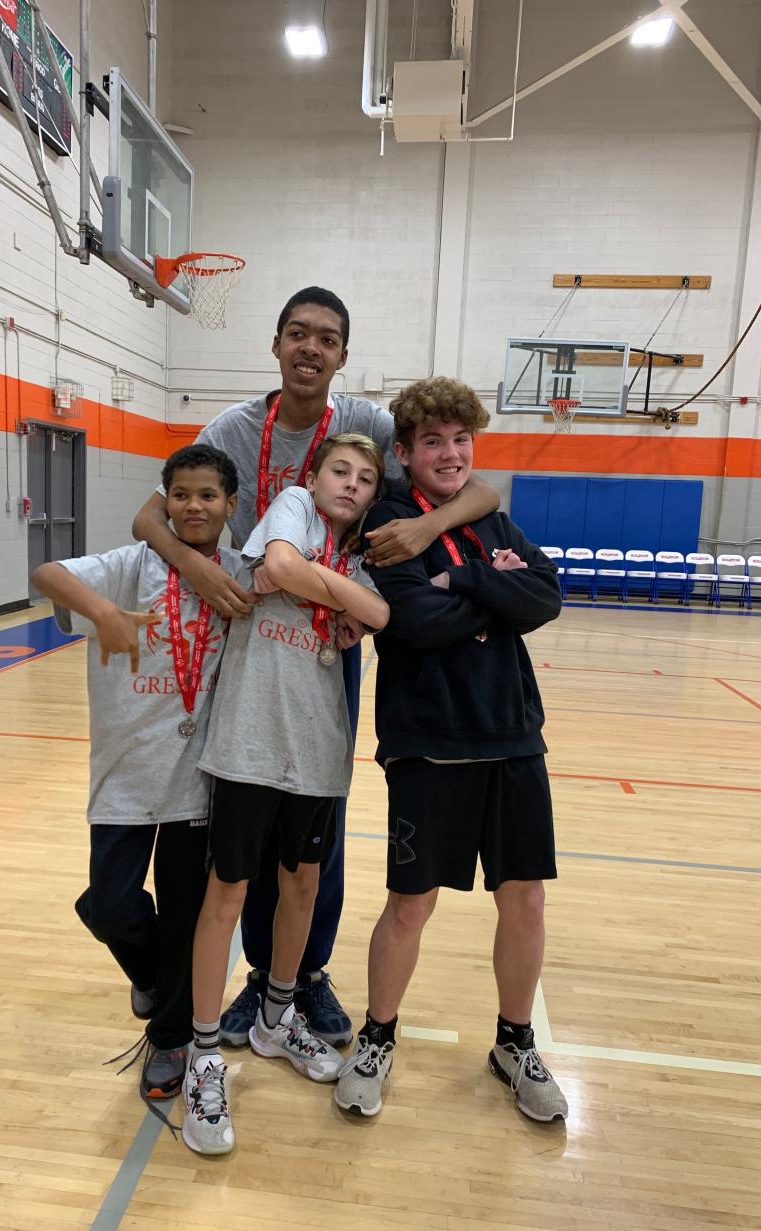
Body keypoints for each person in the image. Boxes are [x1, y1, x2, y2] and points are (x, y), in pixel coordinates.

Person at [131, 286, 500, 1047]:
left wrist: (427, 523)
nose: (310, 348)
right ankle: (256, 977)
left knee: (314, 817)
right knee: (246, 823)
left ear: (341, 355)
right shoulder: (232, 427)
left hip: (330, 635)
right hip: (249, 642)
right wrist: (195, 569)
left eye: (326, 339)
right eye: (297, 334)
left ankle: (299, 979)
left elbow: (480, 487)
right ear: (275, 345)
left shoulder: (363, 423)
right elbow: (150, 514)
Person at [334, 377, 569, 1125]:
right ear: (404, 453)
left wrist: (462, 573)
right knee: (411, 904)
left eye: (461, 440)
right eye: (433, 441)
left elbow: (546, 596)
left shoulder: (489, 519)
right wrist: (494, 594)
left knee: (524, 898)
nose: (450, 453)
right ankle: (376, 1039)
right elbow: (416, 620)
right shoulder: (390, 520)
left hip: (511, 735)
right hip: (427, 740)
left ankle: (515, 1042)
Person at [180, 435, 390, 1156]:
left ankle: (275, 1018)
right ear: (315, 475)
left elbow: (382, 617)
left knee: (301, 885)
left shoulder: (361, 552)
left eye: (366, 479)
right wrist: (324, 587)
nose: (352, 485)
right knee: (228, 896)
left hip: (317, 750)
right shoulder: (292, 508)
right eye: (341, 470)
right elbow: (275, 564)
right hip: (249, 742)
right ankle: (205, 1053)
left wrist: (313, 581)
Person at [31, 444, 242, 1104]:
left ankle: (171, 1038)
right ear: (163, 502)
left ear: (231, 506)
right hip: (124, 771)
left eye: (208, 494)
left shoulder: (239, 574)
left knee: (185, 913)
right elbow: (48, 570)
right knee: (112, 902)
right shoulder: (133, 565)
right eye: (180, 494)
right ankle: (153, 975)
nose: (194, 505)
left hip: (196, 777)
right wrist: (102, 613)